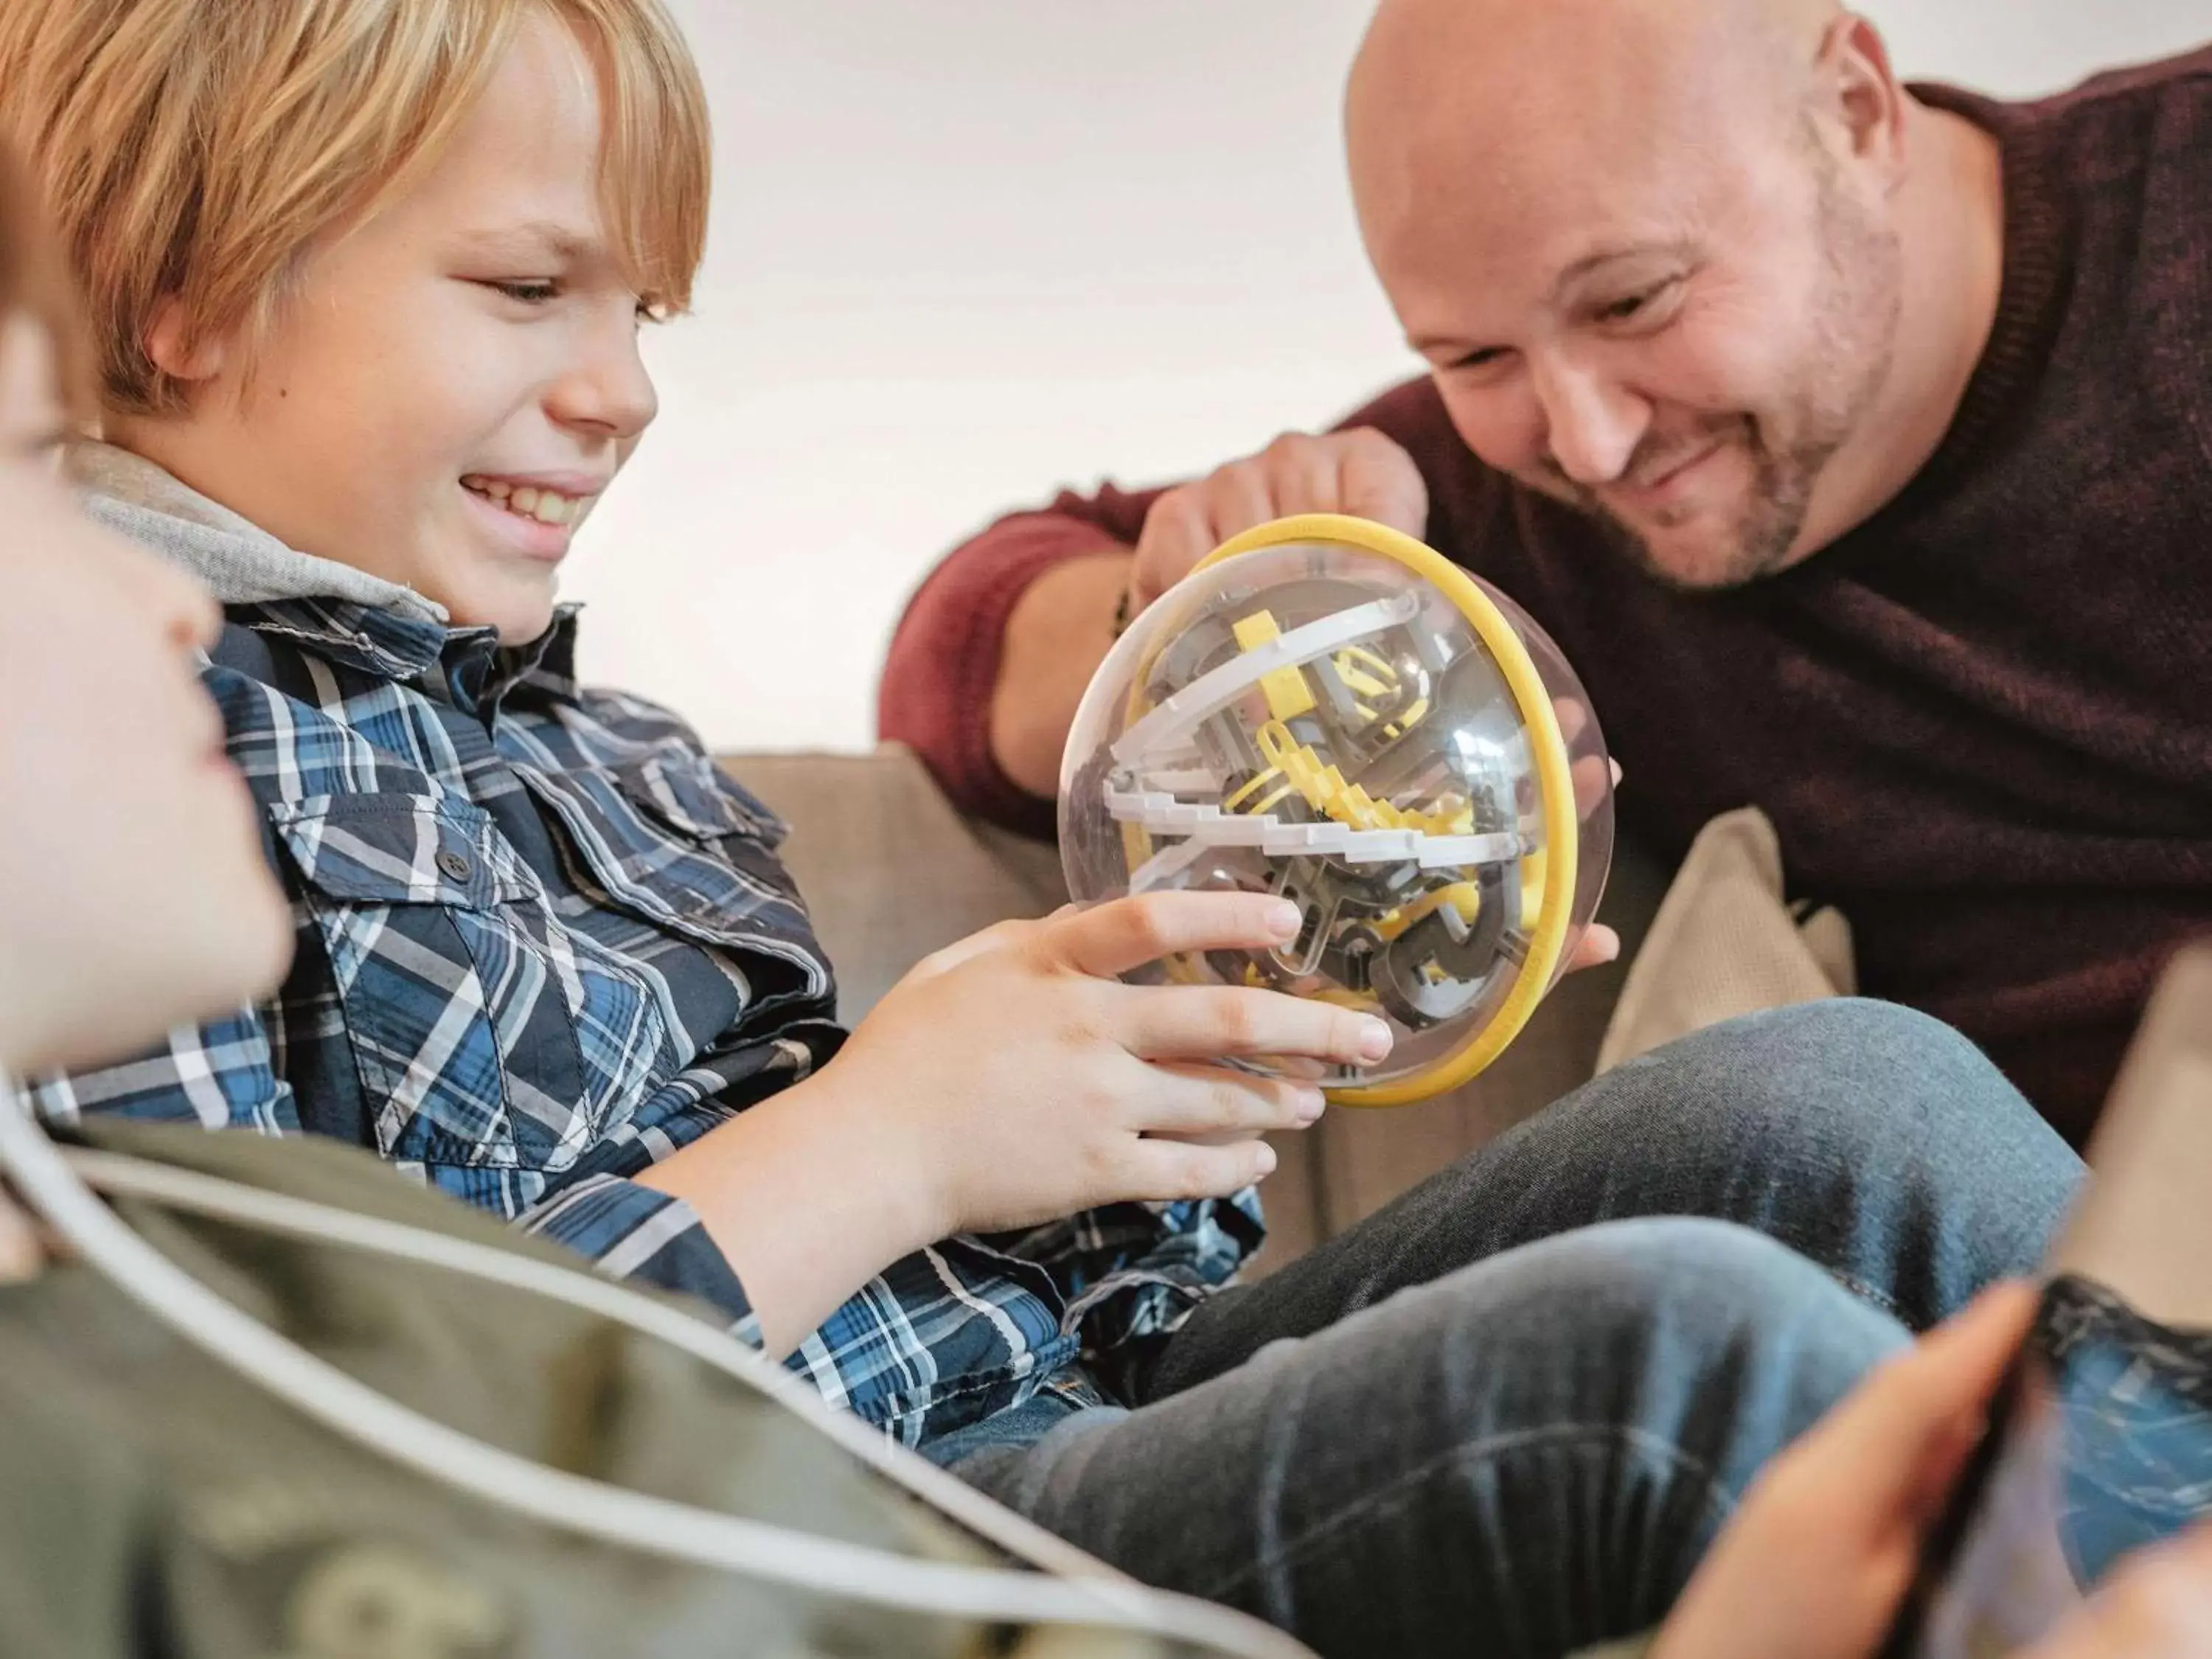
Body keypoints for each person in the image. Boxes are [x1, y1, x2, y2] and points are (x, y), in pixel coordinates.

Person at [0, 4, 2092, 1652]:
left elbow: (1021, 1301)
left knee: (1857, 1098)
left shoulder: (626, 760)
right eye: (531, 284)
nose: (625, 387)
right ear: (186, 292)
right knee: (1683, 1363)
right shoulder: (120, 786)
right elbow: (264, 1446)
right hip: (786, 1536)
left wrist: (1190, 1047)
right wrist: (883, 1132)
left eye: (645, 313)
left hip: (1032, 1413)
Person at [879, 0, 2212, 1148]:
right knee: (1820, 1106)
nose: (1587, 440)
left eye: (1634, 299)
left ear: (1856, 113)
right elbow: (957, 647)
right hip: (2019, 1322)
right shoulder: (1503, 508)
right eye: (1473, 359)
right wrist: (1187, 606)